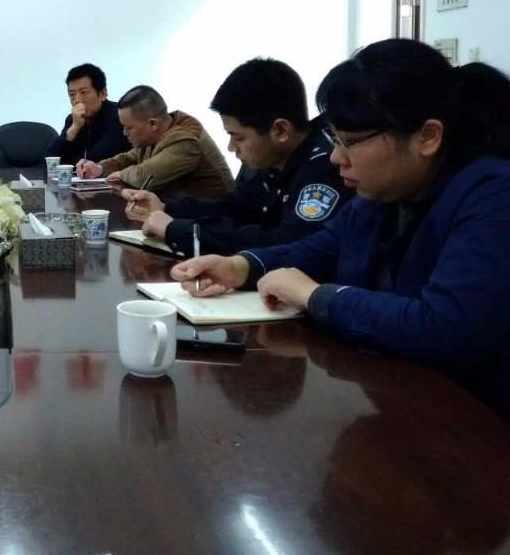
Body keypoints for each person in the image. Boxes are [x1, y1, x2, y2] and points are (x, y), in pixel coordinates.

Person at [171, 39, 510, 420]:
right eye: (334, 139)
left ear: (427, 137)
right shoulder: (386, 191)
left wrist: (316, 296)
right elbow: (321, 247)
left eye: (350, 142)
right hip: (396, 399)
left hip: (475, 425)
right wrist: (240, 266)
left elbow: (444, 327)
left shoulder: (493, 195)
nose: (336, 157)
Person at [122, 58, 352, 256]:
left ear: (280, 130)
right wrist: (167, 207)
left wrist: (178, 230)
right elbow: (234, 205)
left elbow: (283, 245)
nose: (232, 148)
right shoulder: (277, 161)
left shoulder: (324, 168)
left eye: (237, 137)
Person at [77, 85, 234, 198]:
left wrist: (121, 174)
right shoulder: (157, 133)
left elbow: (145, 176)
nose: (124, 133)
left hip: (214, 220)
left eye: (129, 127)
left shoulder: (185, 140)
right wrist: (99, 168)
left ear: (153, 124)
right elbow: (129, 157)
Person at [47, 63, 131, 166]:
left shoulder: (119, 116)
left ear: (102, 94)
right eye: (72, 95)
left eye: (83, 92)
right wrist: (74, 128)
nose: (77, 100)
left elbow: (98, 159)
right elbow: (50, 161)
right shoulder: (73, 120)